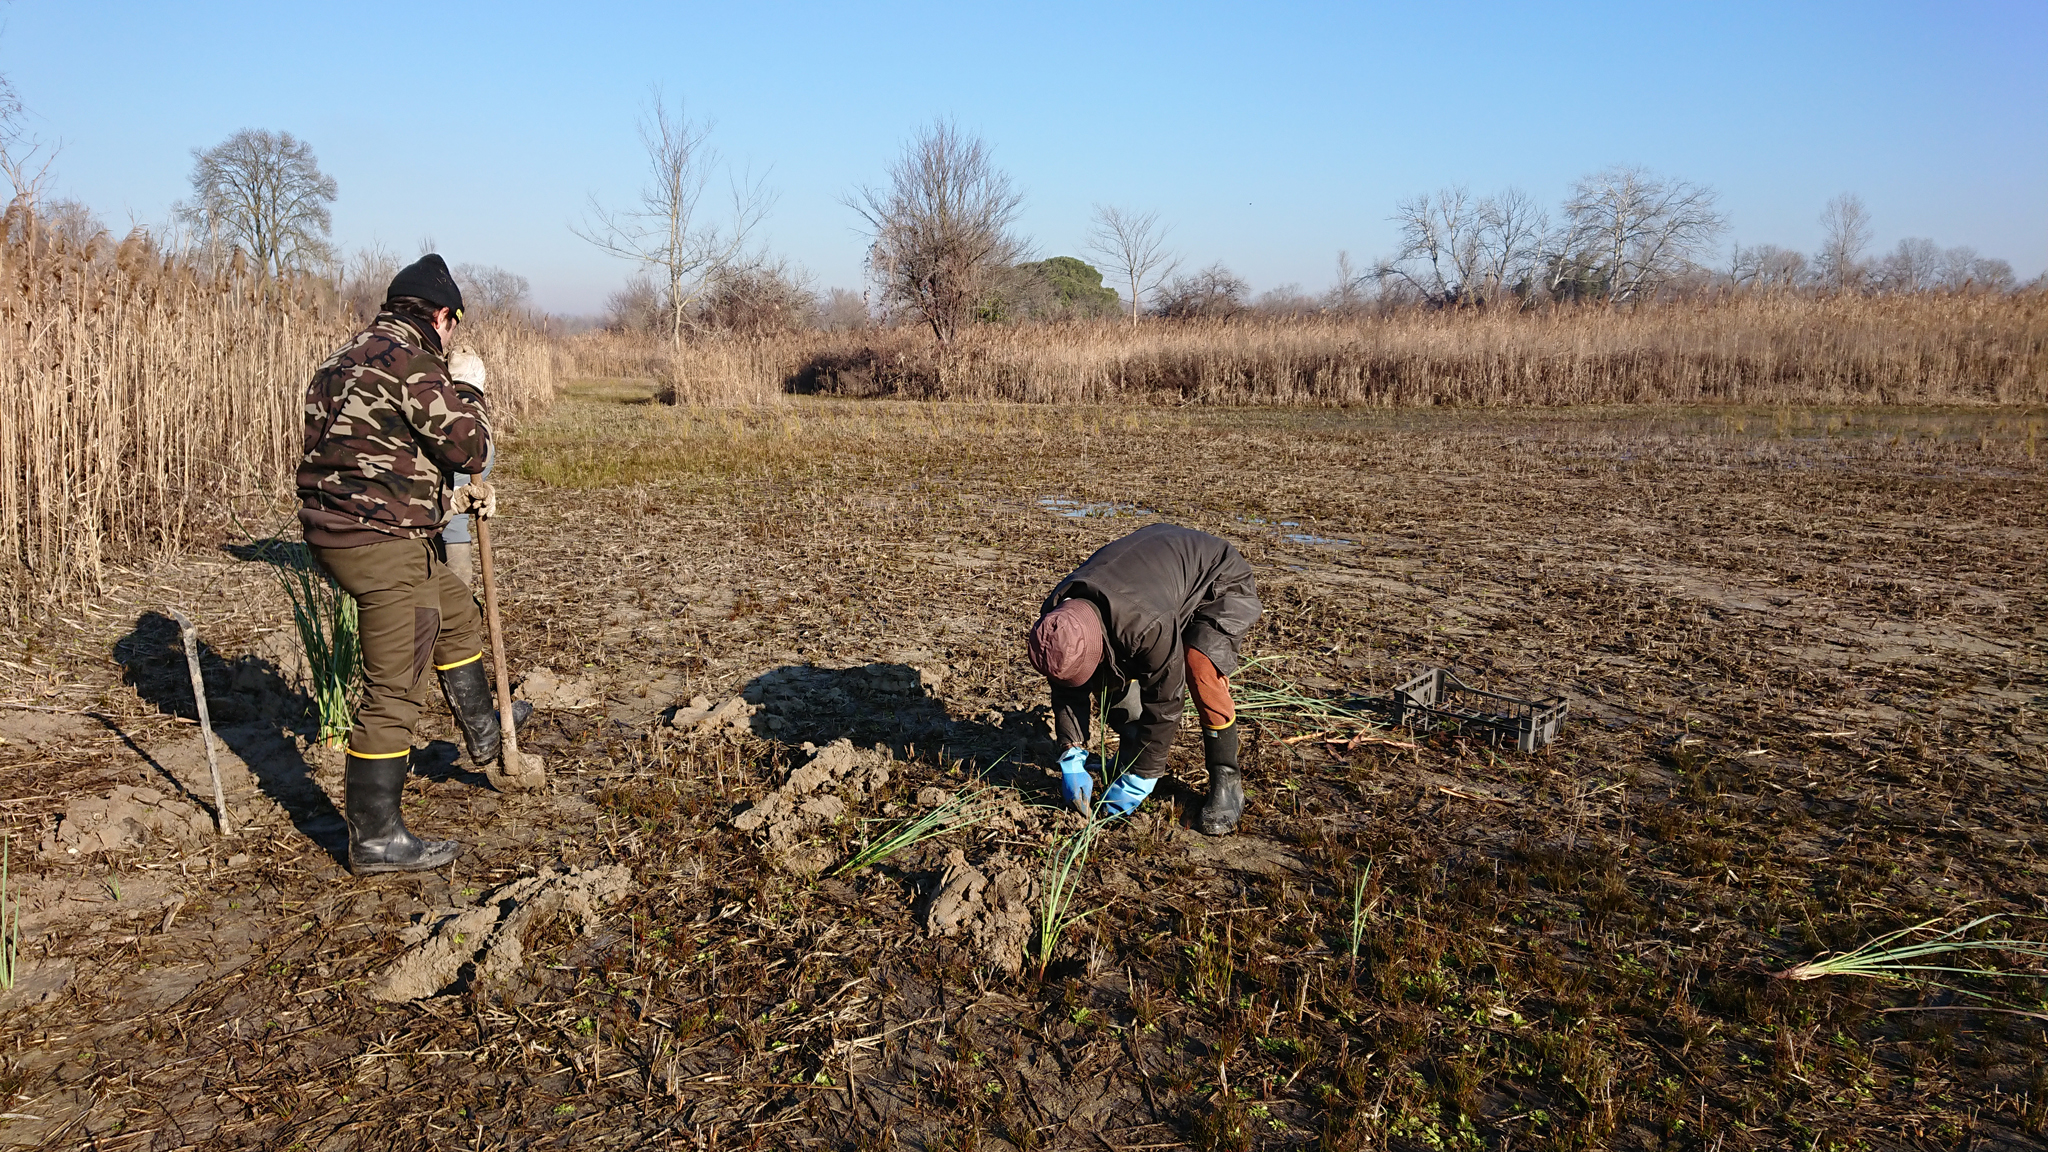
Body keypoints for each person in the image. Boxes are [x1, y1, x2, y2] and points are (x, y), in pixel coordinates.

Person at [297, 253, 527, 874]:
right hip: (376, 545)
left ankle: (482, 726)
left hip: (338, 534)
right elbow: (470, 447)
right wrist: (470, 390)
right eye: (455, 326)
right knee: (393, 691)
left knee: (454, 608)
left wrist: (439, 499)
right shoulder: (414, 364)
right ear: (443, 316)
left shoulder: (341, 359)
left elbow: (363, 455)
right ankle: (375, 839)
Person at [1026, 523, 1263, 834]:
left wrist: (1143, 778)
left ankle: (1226, 779)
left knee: (1199, 667)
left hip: (1218, 579)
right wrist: (1071, 752)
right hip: (1157, 580)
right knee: (1101, 668)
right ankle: (1132, 751)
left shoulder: (1145, 625)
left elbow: (1166, 699)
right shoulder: (1057, 615)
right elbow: (1065, 683)